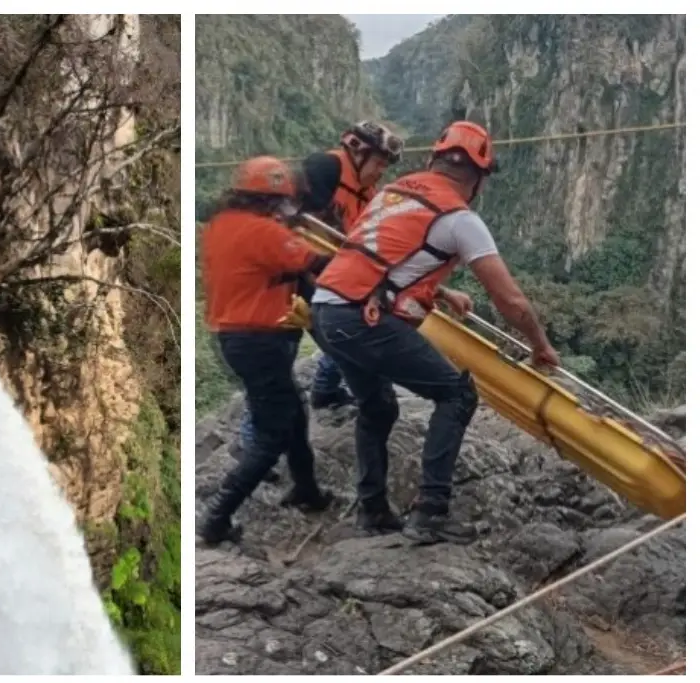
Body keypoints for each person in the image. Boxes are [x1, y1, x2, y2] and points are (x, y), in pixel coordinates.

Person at [309, 120, 561, 546]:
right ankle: (430, 514)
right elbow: (512, 302)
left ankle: (372, 511)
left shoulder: (395, 192)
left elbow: (376, 255)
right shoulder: (460, 219)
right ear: (478, 177)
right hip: (362, 318)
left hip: (326, 311)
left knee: (378, 407)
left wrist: (440, 292)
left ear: (434, 160)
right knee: (457, 394)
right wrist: (541, 346)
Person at [235, 121, 406, 459]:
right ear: (358, 153)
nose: (381, 171)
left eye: (386, 165)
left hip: (323, 278)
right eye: (378, 163)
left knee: (345, 333)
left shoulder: (367, 195)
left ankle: (325, 390)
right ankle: (251, 442)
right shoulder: (324, 169)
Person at [199, 155, 336, 545]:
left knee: (292, 408)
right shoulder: (267, 234)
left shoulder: (219, 225)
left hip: (233, 336)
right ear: (272, 202)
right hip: (261, 340)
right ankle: (217, 517)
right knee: (272, 431)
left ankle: (306, 490)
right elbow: (316, 263)